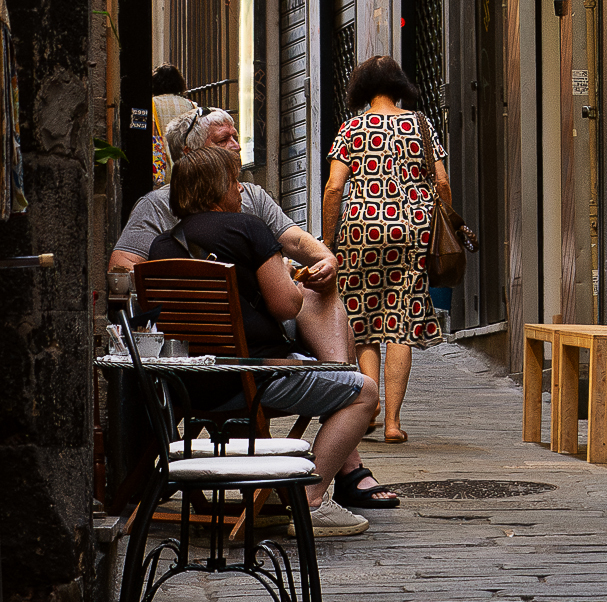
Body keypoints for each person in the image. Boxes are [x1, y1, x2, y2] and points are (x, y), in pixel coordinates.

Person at [145, 144, 386, 534]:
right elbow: (287, 306)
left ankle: (275, 486)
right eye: (234, 181)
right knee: (364, 392)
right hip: (254, 379)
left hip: (193, 389)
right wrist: (291, 280)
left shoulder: (161, 246)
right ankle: (313, 499)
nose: (241, 189)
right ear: (214, 189)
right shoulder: (248, 228)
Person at [322, 57, 449, 445]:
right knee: (400, 324)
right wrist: (441, 220)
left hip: (361, 233)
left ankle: (368, 408)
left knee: (362, 322)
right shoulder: (421, 125)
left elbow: (333, 188)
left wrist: (329, 243)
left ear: (360, 88)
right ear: (400, 85)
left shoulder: (352, 128)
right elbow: (441, 181)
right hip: (411, 232)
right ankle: (393, 422)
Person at [110, 107, 339, 295]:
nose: (236, 146)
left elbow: (296, 241)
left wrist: (326, 258)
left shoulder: (253, 196)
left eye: (236, 138)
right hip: (194, 322)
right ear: (191, 154)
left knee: (322, 294)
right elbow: (121, 268)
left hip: (262, 315)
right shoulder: (156, 205)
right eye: (223, 140)